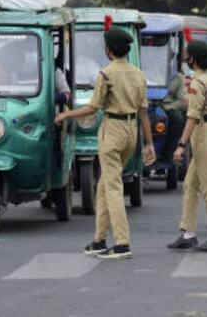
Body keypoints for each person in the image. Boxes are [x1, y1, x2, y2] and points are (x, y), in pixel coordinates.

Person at [55, 23, 155, 260]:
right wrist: (148, 144)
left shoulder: (106, 74)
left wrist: (66, 114)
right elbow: (143, 112)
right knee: (104, 184)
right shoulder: (139, 75)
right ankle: (99, 239)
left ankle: (122, 243)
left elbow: (92, 107)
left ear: (109, 50)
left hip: (112, 130)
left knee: (112, 187)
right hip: (132, 131)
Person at [168, 40, 207, 252]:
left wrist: (181, 145)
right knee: (191, 184)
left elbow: (192, 117)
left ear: (193, 58)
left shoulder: (197, 83)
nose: (185, 58)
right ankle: (188, 233)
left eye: (187, 55)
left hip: (204, 133)